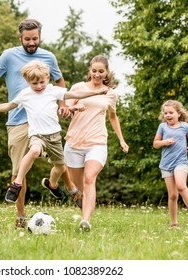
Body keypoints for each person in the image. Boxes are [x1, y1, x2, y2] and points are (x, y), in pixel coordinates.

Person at [0, 19, 80, 228]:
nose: (31, 42)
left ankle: (71, 189)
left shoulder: (48, 57)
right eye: (27, 39)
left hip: (44, 118)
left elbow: (60, 82)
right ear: (20, 38)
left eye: (35, 38)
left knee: (59, 158)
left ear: (39, 36)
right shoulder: (9, 55)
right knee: (18, 171)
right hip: (17, 121)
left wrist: (64, 105)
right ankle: (20, 215)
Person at [0, 60, 108, 208]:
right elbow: (8, 106)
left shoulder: (52, 90)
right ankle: (17, 184)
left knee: (60, 167)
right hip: (37, 135)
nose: (39, 86)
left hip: (54, 137)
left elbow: (74, 93)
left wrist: (96, 92)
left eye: (41, 82)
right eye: (34, 83)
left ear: (47, 78)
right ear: (27, 81)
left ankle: (52, 184)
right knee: (33, 151)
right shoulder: (25, 94)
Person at [63, 55, 129, 232]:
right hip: (74, 142)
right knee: (79, 188)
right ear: (89, 71)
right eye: (94, 71)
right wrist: (72, 108)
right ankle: (83, 203)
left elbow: (113, 117)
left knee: (89, 178)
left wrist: (121, 140)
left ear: (106, 72)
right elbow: (65, 108)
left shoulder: (110, 94)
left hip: (97, 142)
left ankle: (85, 220)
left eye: (101, 71)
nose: (97, 74)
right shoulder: (79, 87)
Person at [153, 100, 188, 228]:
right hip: (166, 164)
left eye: (171, 112)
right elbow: (155, 143)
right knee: (173, 195)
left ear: (178, 113)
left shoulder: (184, 126)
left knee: (181, 186)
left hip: (181, 161)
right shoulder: (162, 127)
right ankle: (174, 223)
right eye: (165, 113)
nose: (168, 115)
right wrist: (165, 142)